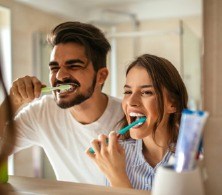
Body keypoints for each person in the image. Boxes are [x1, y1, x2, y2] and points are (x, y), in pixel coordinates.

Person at [1, 21, 124, 185]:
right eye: (54, 67)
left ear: (101, 76)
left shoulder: (127, 117)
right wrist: (13, 102)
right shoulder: (43, 111)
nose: (60, 76)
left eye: (73, 66)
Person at [86, 54, 188, 190]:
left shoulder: (192, 159)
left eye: (146, 92)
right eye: (128, 92)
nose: (131, 102)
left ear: (173, 104)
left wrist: (118, 178)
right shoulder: (115, 156)